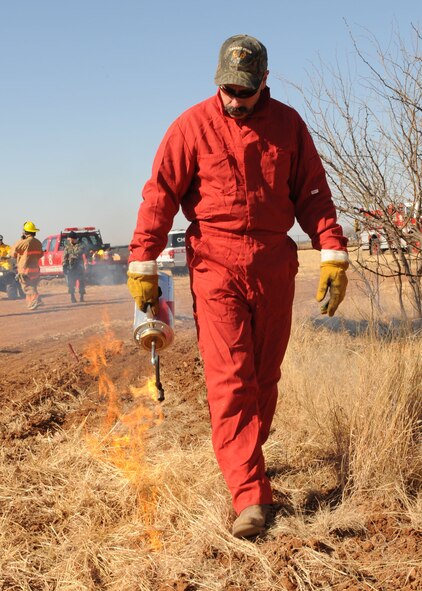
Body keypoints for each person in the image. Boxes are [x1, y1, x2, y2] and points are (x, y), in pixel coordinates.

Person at [127, 34, 349, 538]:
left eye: (244, 91)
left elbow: (313, 193)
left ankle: (247, 458)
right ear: (217, 81)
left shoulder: (289, 126)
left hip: (274, 264)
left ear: (264, 82)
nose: (235, 99)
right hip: (216, 265)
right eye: (227, 89)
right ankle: (249, 495)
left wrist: (333, 250)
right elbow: (159, 193)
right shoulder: (191, 127)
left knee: (264, 379)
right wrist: (142, 259)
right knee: (230, 381)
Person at [10, 222, 44, 310]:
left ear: (25, 232)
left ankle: (37, 299)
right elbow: (40, 254)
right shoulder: (38, 242)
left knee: (27, 287)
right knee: (32, 286)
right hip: (35, 269)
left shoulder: (25, 242)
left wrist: (21, 240)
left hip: (25, 269)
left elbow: (13, 252)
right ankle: (31, 304)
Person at [62, 231, 86, 303]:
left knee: (81, 281)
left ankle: (81, 296)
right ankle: (72, 297)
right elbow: (65, 256)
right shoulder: (67, 246)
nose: (68, 240)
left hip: (79, 266)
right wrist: (64, 265)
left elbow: (81, 253)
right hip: (70, 267)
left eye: (69, 238)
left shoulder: (81, 245)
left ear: (73, 238)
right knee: (71, 282)